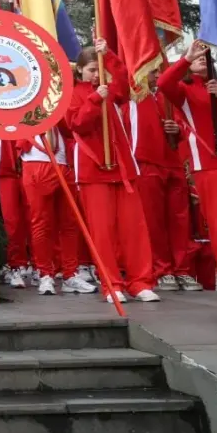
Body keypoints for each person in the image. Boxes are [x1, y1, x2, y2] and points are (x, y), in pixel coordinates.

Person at [67, 41, 158, 304]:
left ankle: (140, 282)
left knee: (134, 229)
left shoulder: (112, 88)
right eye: (91, 69)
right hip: (93, 171)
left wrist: (108, 55)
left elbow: (125, 80)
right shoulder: (74, 93)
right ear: (80, 70)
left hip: (122, 168)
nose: (96, 75)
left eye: (99, 70)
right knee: (102, 233)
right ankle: (112, 284)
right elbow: (76, 123)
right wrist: (95, 99)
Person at [158, 40, 217, 298]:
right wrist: (186, 58)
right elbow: (164, 82)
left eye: (205, 55)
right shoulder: (184, 89)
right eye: (197, 56)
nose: (202, 57)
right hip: (209, 164)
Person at [129, 69, 201, 292]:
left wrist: (177, 129)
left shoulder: (168, 95)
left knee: (180, 219)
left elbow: (186, 124)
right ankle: (162, 270)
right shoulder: (135, 95)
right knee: (154, 220)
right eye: (152, 69)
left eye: (160, 68)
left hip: (173, 161)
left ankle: (182, 269)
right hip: (147, 161)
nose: (157, 73)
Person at [19, 125, 91, 295]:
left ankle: (70, 274)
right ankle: (45, 275)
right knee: (41, 223)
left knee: (69, 223)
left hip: (64, 161)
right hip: (35, 159)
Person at [0, 137, 30, 289]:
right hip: (6, 166)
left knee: (33, 218)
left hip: (31, 160)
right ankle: (15, 265)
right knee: (11, 220)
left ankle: (41, 268)